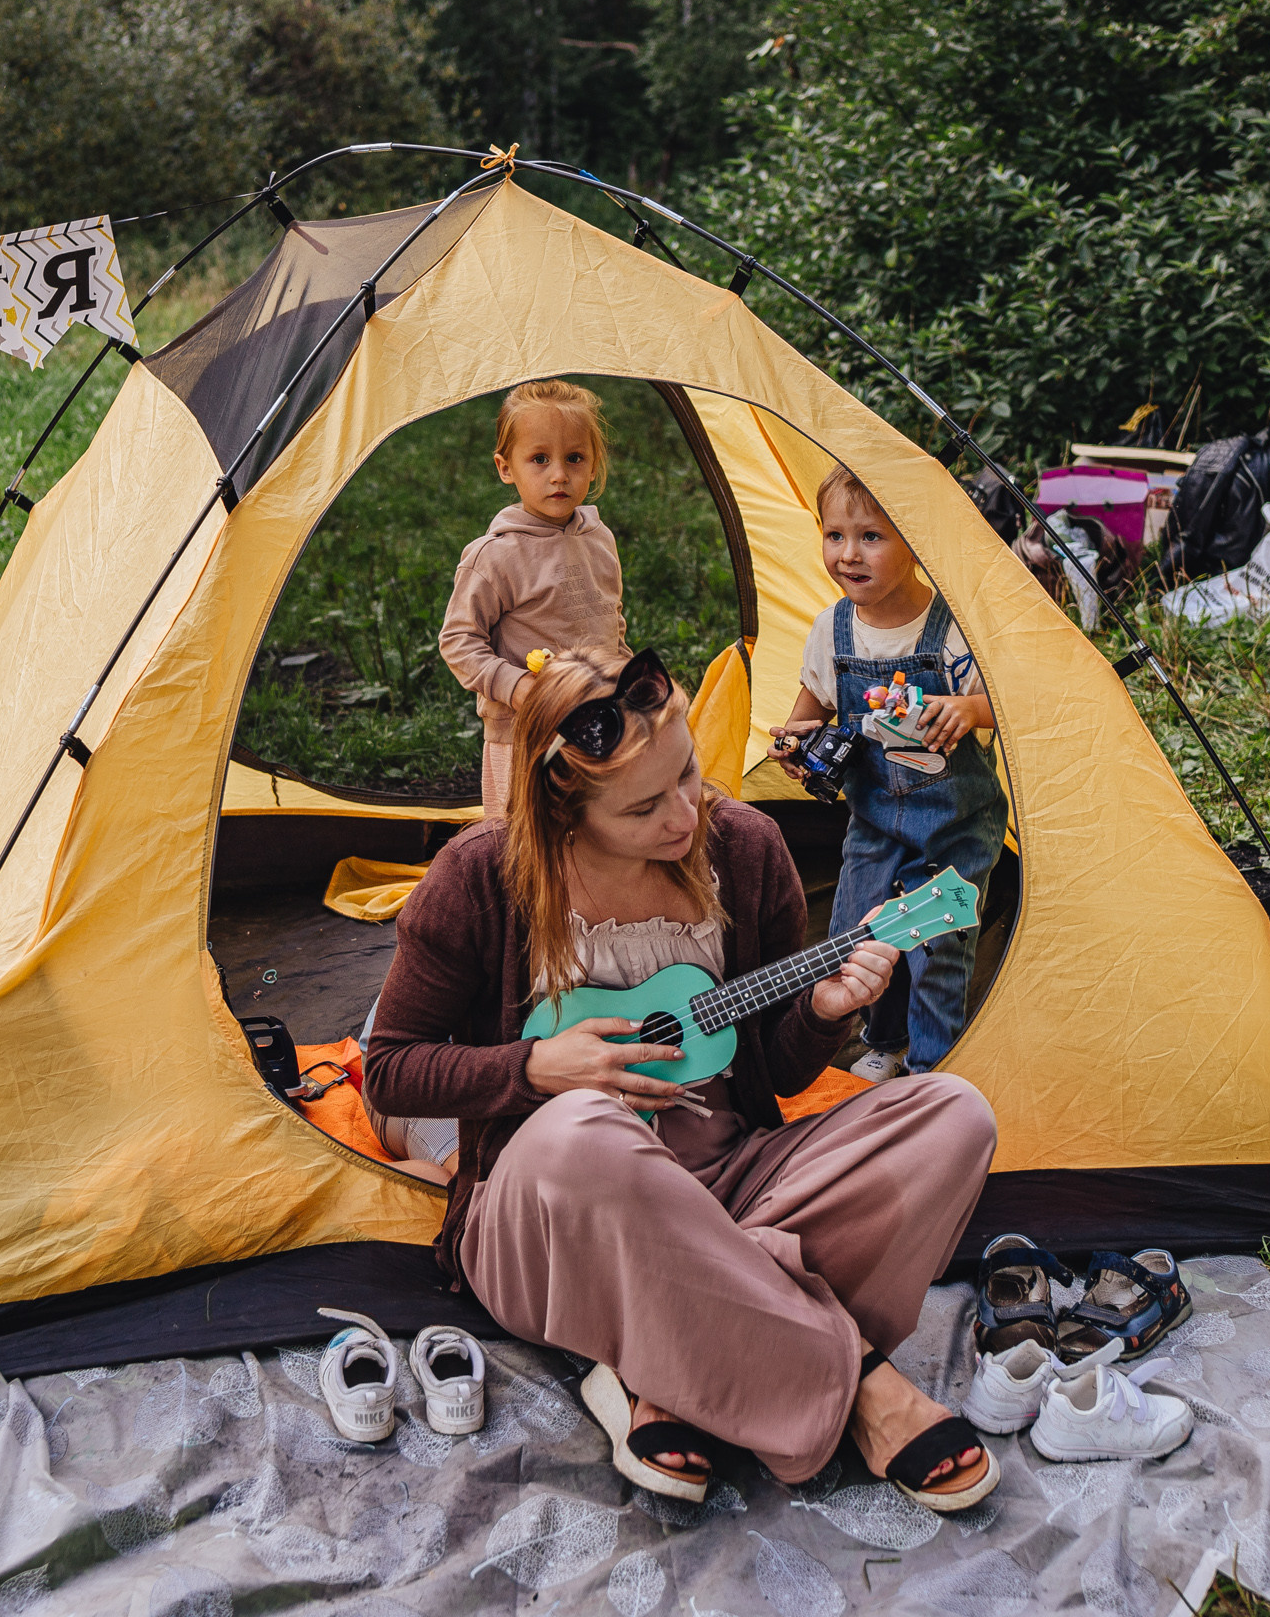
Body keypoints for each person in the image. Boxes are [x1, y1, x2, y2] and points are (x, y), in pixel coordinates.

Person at [363, 646, 1000, 1508]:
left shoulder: (745, 847)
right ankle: (858, 1383)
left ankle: (658, 1356)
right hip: (558, 1213)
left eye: (689, 774)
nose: (685, 814)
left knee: (955, 1115)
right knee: (582, 1132)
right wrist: (535, 1067)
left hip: (735, 1181)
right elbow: (391, 1070)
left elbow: (769, 1067)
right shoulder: (482, 876)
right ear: (565, 814)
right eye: (643, 806)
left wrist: (822, 1012)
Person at [768, 466, 1010, 1082]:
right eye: (834, 536)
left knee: (938, 945)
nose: (849, 554)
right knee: (859, 936)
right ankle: (885, 1041)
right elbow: (809, 712)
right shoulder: (832, 630)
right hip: (873, 817)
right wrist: (794, 747)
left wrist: (969, 708)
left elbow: (1004, 706)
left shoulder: (951, 628)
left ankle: (931, 1067)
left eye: (871, 536)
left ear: (915, 541)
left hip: (955, 821)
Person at [439, 380, 629, 819]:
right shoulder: (496, 556)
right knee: (527, 847)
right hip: (526, 734)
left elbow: (610, 623)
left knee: (594, 836)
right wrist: (516, 686)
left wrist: (626, 685)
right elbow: (459, 641)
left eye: (574, 458)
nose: (559, 474)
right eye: (539, 459)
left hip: (597, 724)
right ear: (506, 468)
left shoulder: (599, 539)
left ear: (595, 465)